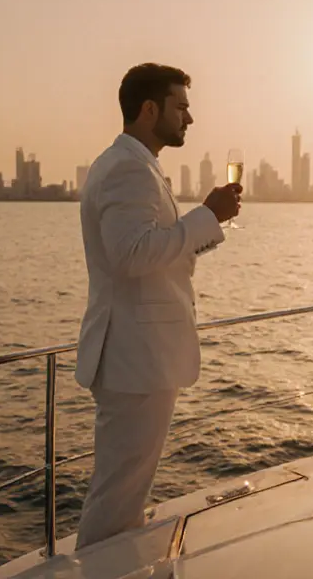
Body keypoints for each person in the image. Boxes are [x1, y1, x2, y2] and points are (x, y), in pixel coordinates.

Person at [74, 63, 242, 549]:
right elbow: (130, 255)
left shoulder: (136, 163)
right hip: (135, 358)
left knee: (125, 494)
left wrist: (207, 227)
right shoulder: (129, 168)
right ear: (150, 110)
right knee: (115, 501)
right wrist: (206, 215)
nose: (190, 118)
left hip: (138, 355)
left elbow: (156, 250)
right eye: (181, 107)